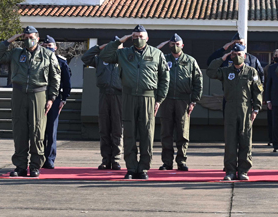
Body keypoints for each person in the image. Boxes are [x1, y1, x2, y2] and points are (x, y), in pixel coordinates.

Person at [99, 25, 169, 179]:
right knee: (129, 133)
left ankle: (143, 168)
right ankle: (131, 168)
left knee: (146, 133)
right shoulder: (123, 53)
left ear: (147, 38)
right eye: (135, 36)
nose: (138, 39)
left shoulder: (156, 54)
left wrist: (159, 100)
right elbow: (104, 56)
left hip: (148, 97)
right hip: (128, 96)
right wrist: (119, 41)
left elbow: (164, 78)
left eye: (141, 36)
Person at [0, 26, 61, 177]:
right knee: (20, 131)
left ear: (37, 38)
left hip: (39, 93)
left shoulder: (47, 55)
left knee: (37, 131)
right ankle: (20, 166)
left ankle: (35, 166)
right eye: (26, 37)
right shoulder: (16, 53)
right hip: (19, 93)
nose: (29, 40)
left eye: (31, 37)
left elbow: (56, 77)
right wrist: (10, 40)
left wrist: (52, 98)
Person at [207, 42, 263, 181]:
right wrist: (222, 58)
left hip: (246, 108)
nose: (237, 57)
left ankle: (243, 170)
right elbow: (210, 72)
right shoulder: (226, 71)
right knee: (230, 141)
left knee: (245, 140)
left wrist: (256, 108)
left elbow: (257, 91)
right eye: (234, 54)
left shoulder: (251, 71)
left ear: (244, 56)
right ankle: (230, 171)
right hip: (230, 107)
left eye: (239, 54)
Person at [156, 33, 203, 171]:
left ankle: (181, 161)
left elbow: (198, 81)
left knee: (182, 133)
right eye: (172, 44)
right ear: (169, 45)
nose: (175, 46)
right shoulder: (163, 59)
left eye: (177, 44)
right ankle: (167, 162)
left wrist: (194, 100)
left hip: (183, 100)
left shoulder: (190, 61)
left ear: (182, 46)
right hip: (167, 100)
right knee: (166, 133)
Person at [81, 36, 123, 170]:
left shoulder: (124, 59)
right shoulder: (100, 59)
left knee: (117, 129)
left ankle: (116, 159)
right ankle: (105, 159)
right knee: (104, 129)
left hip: (118, 96)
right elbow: (85, 58)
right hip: (104, 94)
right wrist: (99, 48)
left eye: (118, 46)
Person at [40, 36, 71, 169]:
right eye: (45, 46)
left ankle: (50, 158)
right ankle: (39, 158)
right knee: (39, 130)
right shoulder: (38, 60)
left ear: (55, 47)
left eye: (50, 45)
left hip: (55, 98)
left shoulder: (61, 62)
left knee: (51, 130)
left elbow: (67, 83)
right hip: (39, 97)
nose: (48, 47)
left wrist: (63, 99)